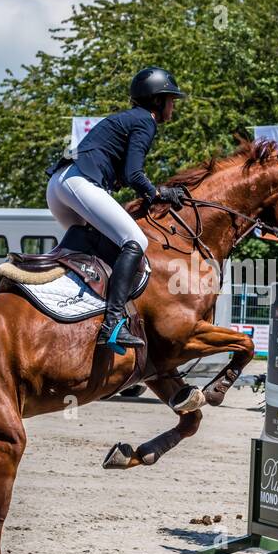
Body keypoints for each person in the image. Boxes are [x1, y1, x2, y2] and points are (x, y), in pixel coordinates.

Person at [46, 66, 187, 353]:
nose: (173, 105)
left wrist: (148, 194)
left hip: (59, 186)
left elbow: (124, 174)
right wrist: (158, 193)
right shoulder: (145, 121)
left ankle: (75, 303)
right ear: (157, 101)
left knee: (97, 246)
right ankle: (112, 325)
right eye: (171, 99)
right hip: (78, 181)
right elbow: (135, 174)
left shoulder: (127, 119)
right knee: (136, 241)